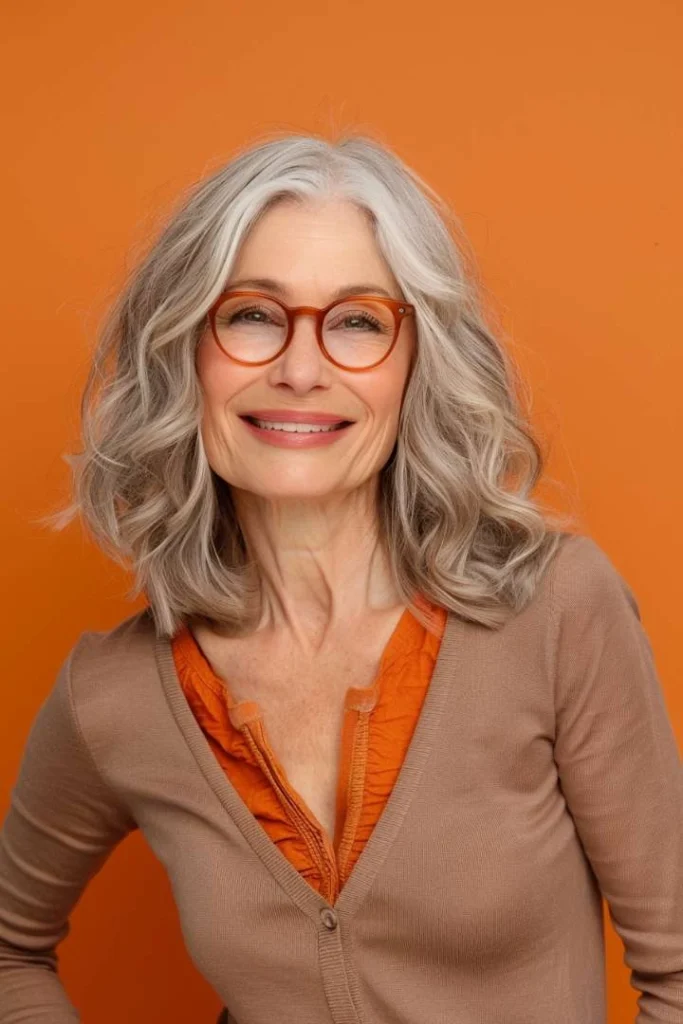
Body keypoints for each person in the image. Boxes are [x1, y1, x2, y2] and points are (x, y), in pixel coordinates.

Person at [0, 133, 681, 1024]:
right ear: (183, 352)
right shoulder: (115, 695)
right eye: (250, 314)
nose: (300, 368)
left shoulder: (552, 608)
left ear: (414, 364)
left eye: (358, 321)